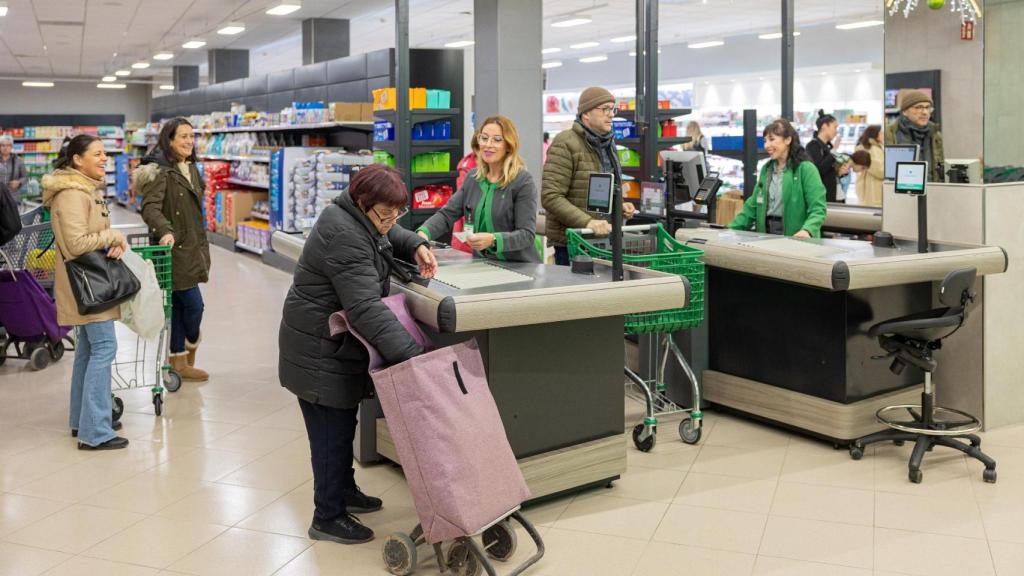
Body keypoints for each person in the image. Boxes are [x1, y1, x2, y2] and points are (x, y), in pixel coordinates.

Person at [278, 164, 438, 545]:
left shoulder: (353, 215)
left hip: (330, 345)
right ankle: (327, 516)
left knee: (343, 422)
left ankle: (344, 491)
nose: (391, 221)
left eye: (397, 213)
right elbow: (365, 309)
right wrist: (414, 357)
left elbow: (388, 233)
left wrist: (415, 244)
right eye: (385, 214)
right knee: (330, 435)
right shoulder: (345, 235)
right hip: (318, 351)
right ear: (363, 204)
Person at [42, 135, 130, 450]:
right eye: (98, 153)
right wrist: (112, 236)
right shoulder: (71, 194)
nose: (105, 158)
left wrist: (111, 242)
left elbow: (87, 235)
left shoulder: (84, 189)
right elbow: (77, 243)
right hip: (88, 286)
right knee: (104, 348)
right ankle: (95, 432)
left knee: (88, 350)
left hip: (87, 283)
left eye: (105, 153)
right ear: (77, 159)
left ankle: (84, 420)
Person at [137, 118, 211, 382]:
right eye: (183, 136)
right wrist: (165, 230)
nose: (189, 141)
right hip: (173, 250)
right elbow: (150, 208)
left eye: (192, 136)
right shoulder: (160, 171)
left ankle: (178, 361)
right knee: (194, 306)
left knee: (179, 307)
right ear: (169, 140)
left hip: (193, 247)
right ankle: (191, 343)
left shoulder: (191, 168)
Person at [417, 115, 539, 262]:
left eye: (497, 140)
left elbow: (527, 235)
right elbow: (447, 214)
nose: (488, 144)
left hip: (521, 267)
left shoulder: (522, 181)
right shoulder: (473, 178)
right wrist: (423, 234)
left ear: (508, 146)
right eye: (484, 138)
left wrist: (493, 240)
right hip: (484, 264)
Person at [542, 86, 636, 266]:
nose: (611, 115)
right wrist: (588, 222)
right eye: (605, 109)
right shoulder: (565, 143)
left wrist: (620, 206)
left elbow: (603, 187)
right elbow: (550, 196)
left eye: (612, 109)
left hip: (604, 241)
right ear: (586, 114)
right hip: (573, 244)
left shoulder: (608, 143)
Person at [728, 118, 827, 238]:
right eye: (765, 141)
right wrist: (730, 230)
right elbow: (752, 206)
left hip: (797, 237)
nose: (766, 145)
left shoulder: (806, 169)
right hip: (766, 234)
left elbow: (818, 208)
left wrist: (807, 230)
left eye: (772, 139)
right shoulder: (767, 169)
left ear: (788, 140)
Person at [886, 90, 945, 182]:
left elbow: (939, 166)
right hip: (901, 188)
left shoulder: (935, 134)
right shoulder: (891, 133)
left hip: (931, 187)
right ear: (905, 111)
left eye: (928, 107)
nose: (925, 112)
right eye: (918, 107)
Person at [806, 110, 850, 203]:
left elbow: (828, 171)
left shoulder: (828, 146)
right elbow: (818, 170)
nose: (836, 131)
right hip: (823, 198)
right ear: (824, 126)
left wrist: (839, 172)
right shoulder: (812, 146)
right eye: (835, 127)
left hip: (836, 195)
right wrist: (834, 150)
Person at [853, 125, 884, 207]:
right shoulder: (875, 149)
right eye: (881, 133)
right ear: (876, 135)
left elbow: (855, 168)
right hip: (873, 190)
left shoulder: (860, 147)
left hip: (862, 188)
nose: (883, 135)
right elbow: (881, 172)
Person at [0, 135, 28, 207]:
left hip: (13, 197)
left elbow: (25, 177)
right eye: (3, 145)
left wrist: (19, 182)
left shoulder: (18, 160)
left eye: (8, 145)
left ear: (11, 146)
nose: (5, 148)